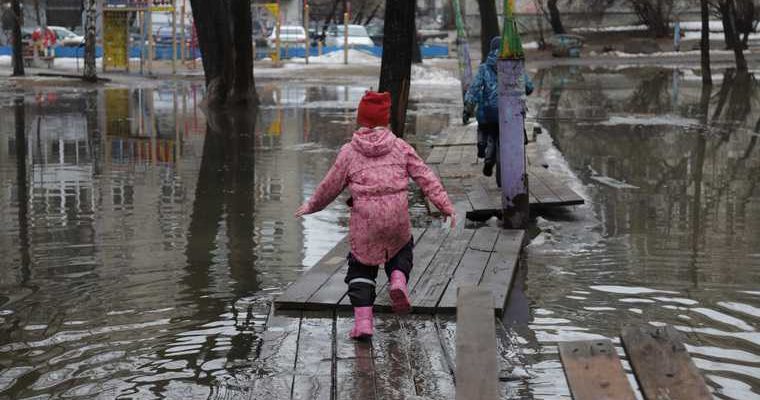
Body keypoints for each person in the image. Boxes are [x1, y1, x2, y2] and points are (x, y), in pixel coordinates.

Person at [295, 91, 456, 340]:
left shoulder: (349, 152)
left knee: (360, 268)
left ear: (360, 120)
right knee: (402, 249)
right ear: (386, 121)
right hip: (396, 217)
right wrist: (445, 205)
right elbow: (425, 176)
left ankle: (363, 323)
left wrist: (312, 206)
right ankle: (398, 279)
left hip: (366, 221)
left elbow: (330, 186)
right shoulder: (401, 147)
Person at [463, 36, 533, 177]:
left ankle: (488, 158)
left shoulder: (484, 68)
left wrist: (467, 109)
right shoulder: (514, 66)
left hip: (490, 113)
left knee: (493, 134)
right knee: (514, 131)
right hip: (512, 113)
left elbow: (474, 89)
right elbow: (529, 87)